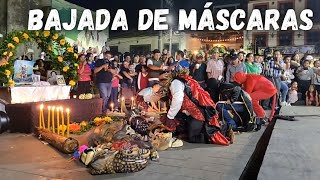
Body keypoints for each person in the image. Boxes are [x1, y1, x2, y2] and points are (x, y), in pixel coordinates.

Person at [159, 69, 230, 145]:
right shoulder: (177, 82)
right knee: (182, 123)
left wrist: (170, 116)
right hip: (191, 112)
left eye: (162, 80)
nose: (161, 82)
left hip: (199, 112)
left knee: (194, 137)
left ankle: (224, 129)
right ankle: (183, 131)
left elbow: (178, 99)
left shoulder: (175, 83)